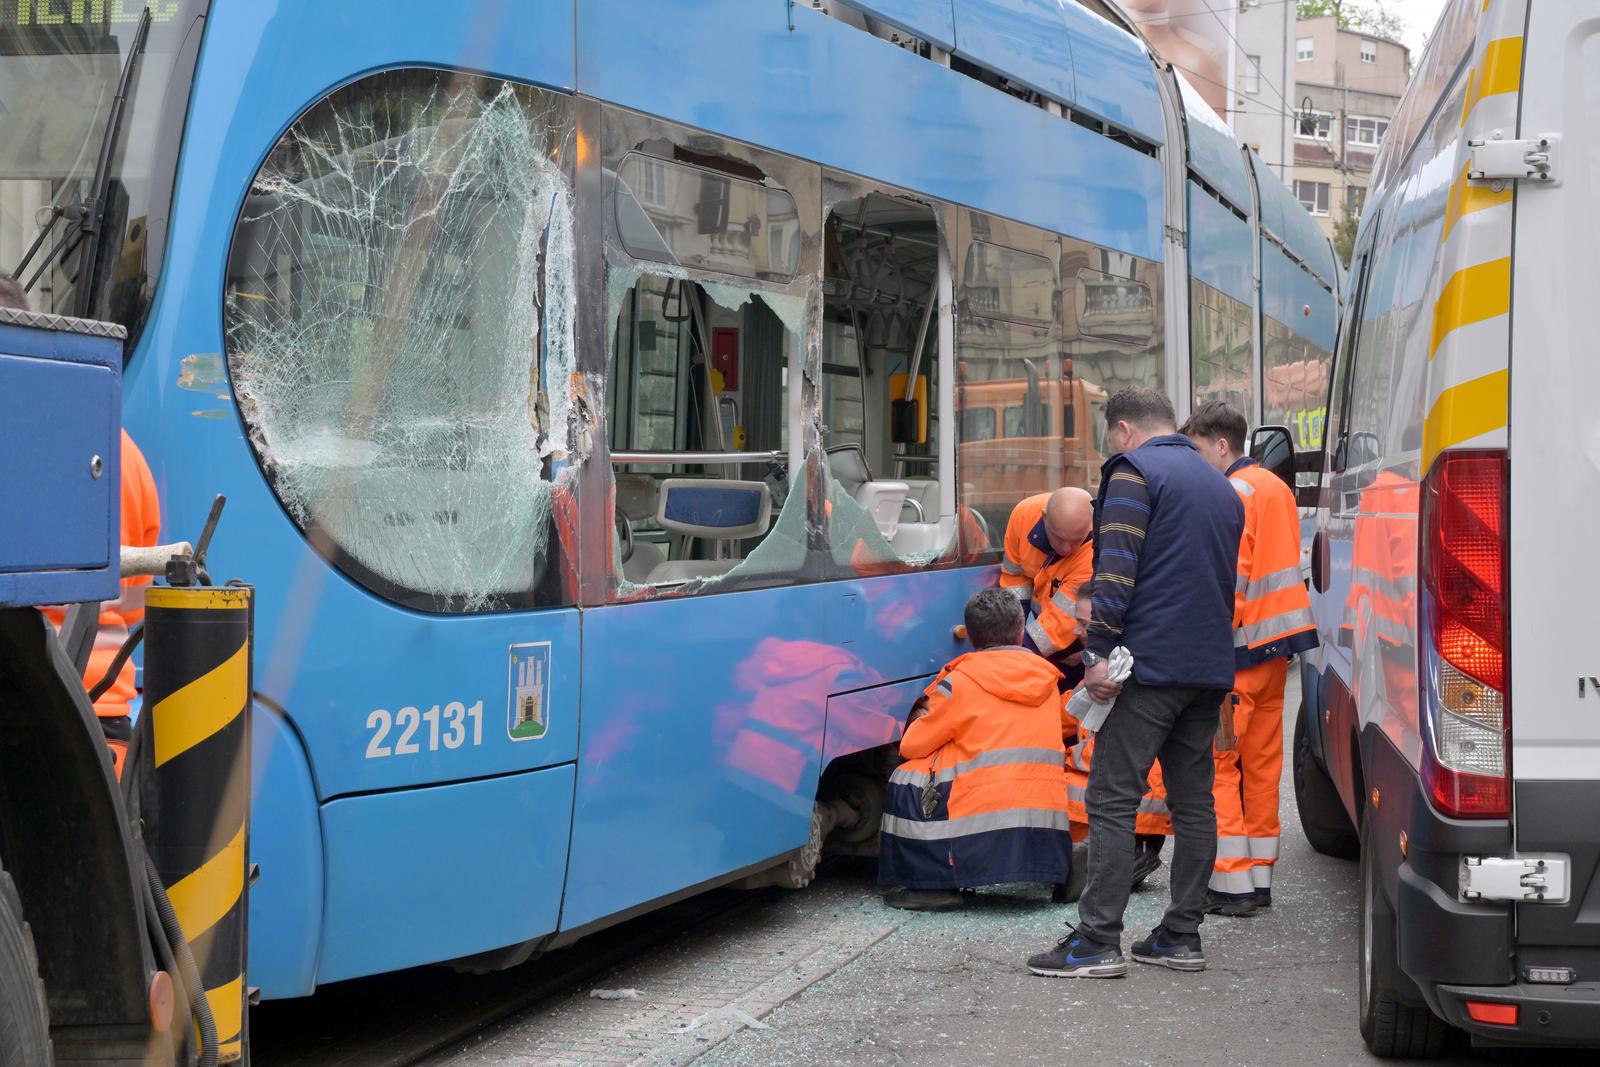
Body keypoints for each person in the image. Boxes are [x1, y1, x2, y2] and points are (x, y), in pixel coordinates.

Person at [1025, 387, 1243, 978]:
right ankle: (1181, 934)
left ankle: (1096, 942)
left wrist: (1097, 654)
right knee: (1194, 801)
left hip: (1149, 667)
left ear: (1123, 430)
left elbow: (1114, 572)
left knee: (1111, 798)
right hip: (1208, 667)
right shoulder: (1220, 484)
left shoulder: (1133, 472)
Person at [3, 274, 162, 777]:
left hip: (29, 724)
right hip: (104, 726)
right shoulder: (122, 448)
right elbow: (135, 595)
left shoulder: (19, 449)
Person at [1182, 402, 1319, 915]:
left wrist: (1204, 645)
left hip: (1236, 653)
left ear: (1221, 446)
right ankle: (1259, 879)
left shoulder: (1231, 491)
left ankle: (1230, 884)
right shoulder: (1274, 487)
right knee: (1262, 766)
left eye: (1197, 449)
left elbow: (1229, 577)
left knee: (1218, 767)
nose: (1195, 462)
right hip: (1276, 650)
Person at [879, 587, 1074, 910]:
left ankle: (935, 884)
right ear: (1021, 630)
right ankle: (1060, 867)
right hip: (1045, 816)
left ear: (969, 636)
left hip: (980, 819)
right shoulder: (1048, 680)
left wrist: (922, 718)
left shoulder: (960, 682)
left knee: (907, 776)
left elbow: (913, 746)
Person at [1059, 584, 1169, 903]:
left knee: (1046, 780)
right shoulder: (1115, 662)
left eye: (1084, 622)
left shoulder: (1115, 673)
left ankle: (1120, 855)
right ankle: (1119, 854)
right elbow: (1069, 711)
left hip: (1135, 798)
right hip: (1142, 796)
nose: (1077, 630)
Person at [998, 488, 1094, 687]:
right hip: (1039, 637)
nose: (1066, 549)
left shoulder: (1095, 548)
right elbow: (1014, 579)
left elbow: (1062, 621)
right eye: (1059, 538)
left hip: (1071, 646)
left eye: (1076, 541)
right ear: (1044, 517)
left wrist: (1012, 655)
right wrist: (1010, 631)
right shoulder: (1023, 516)